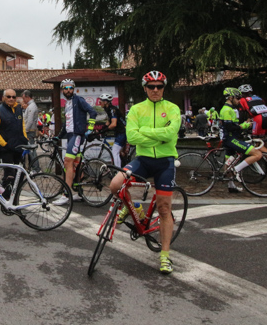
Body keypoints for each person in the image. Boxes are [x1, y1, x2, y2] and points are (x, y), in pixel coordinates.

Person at [108, 71, 181, 274]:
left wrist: (146, 133)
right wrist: (159, 137)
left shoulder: (173, 108)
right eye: (151, 86)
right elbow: (132, 136)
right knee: (115, 185)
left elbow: (171, 134)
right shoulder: (136, 109)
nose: (155, 90)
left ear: (164, 87)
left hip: (165, 161)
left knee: (164, 209)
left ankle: (165, 256)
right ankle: (134, 209)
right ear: (145, 88)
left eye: (159, 86)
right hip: (143, 160)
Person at [55, 79, 97, 205]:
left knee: (68, 162)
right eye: (66, 88)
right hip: (70, 135)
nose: (68, 90)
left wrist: (90, 128)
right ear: (62, 90)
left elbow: (93, 112)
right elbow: (66, 123)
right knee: (75, 165)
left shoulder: (79, 100)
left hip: (77, 135)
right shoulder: (67, 103)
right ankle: (79, 191)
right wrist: (58, 137)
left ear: (74, 89)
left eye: (70, 88)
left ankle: (66, 194)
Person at [219, 87, 264, 192]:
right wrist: (243, 126)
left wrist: (243, 125)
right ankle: (236, 170)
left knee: (228, 164)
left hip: (230, 138)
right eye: (237, 98)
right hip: (230, 139)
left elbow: (233, 125)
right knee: (257, 154)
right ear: (231, 97)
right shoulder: (226, 110)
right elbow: (229, 127)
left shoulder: (231, 109)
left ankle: (231, 186)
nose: (239, 101)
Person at [0, 88, 28, 198]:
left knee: (20, 174)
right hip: (6, 148)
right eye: (8, 96)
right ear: (3, 98)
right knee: (9, 174)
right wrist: (4, 144)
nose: (11, 99)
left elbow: (21, 125)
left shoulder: (18, 108)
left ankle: (13, 196)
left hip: (18, 146)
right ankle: (5, 197)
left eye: (13, 96)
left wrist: (25, 139)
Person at [237, 84, 267, 153]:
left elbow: (242, 114)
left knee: (257, 143)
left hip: (259, 119)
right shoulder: (258, 97)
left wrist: (240, 124)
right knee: (266, 140)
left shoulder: (242, 100)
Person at [98, 93, 127, 168]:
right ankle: (125, 165)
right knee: (120, 152)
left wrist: (105, 130)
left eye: (101, 101)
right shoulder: (108, 109)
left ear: (105, 102)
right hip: (119, 132)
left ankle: (118, 172)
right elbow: (108, 122)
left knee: (115, 151)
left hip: (123, 132)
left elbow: (113, 124)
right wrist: (101, 130)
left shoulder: (112, 109)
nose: (99, 103)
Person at [22, 90, 39, 162]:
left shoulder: (31, 106)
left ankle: (36, 168)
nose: (23, 100)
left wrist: (25, 130)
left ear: (27, 97)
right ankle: (34, 167)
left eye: (23, 98)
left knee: (32, 150)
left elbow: (30, 120)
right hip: (30, 130)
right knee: (30, 150)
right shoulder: (31, 106)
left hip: (30, 131)